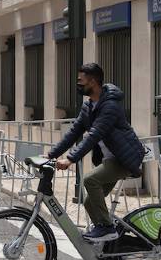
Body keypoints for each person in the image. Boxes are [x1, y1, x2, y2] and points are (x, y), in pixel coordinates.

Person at [47, 63, 145, 242]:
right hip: (110, 160)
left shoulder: (110, 107)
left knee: (89, 180)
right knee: (88, 203)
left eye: (80, 81)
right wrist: (50, 155)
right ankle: (109, 241)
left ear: (92, 82)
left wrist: (70, 159)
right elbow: (74, 132)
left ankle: (107, 228)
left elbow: (94, 134)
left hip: (124, 160)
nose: (78, 84)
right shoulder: (89, 106)